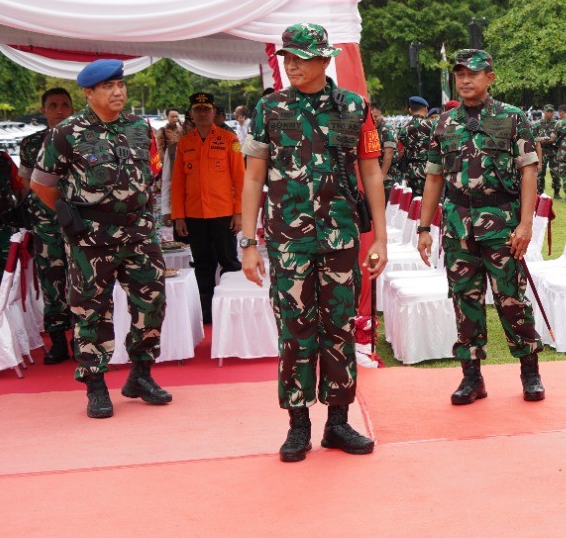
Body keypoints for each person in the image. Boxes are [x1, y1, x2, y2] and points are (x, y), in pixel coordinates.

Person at [241, 23, 387, 462]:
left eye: (301, 58)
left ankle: (338, 422)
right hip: (288, 239)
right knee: (295, 331)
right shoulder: (269, 109)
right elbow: (252, 177)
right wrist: (249, 242)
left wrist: (380, 237)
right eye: (288, 58)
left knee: (339, 326)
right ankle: (298, 424)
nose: (292, 66)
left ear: (325, 60)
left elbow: (372, 171)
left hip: (341, 236)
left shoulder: (353, 107)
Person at [30, 59, 172, 418]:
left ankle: (140, 374)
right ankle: (95, 384)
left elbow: (151, 173)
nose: (118, 92)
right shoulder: (67, 132)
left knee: (151, 304)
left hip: (139, 233)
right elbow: (41, 184)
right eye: (108, 86)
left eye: (120, 85)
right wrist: (69, 218)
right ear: (89, 93)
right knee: (91, 311)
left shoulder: (141, 128)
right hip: (91, 238)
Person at [418, 48, 545, 405]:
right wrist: (424, 227)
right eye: (460, 74)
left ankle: (530, 372)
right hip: (458, 227)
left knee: (512, 301)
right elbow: (433, 177)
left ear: (490, 77)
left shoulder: (512, 117)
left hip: (501, 224)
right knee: (465, 302)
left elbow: (528, 170)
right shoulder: (443, 123)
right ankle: (471, 377)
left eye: (473, 74)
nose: (465, 80)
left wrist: (525, 224)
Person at [169, 92, 245, 325]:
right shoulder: (184, 144)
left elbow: (240, 178)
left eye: (206, 109)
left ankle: (233, 310)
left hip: (223, 213)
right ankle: (207, 312)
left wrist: (239, 212)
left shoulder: (229, 140)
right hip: (194, 215)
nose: (202, 113)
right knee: (202, 264)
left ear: (213, 112)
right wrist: (178, 217)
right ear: (191, 114)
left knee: (229, 262)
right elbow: (178, 183)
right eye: (197, 109)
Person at [17, 87, 75, 362]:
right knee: (52, 285)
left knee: (81, 283)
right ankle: (58, 341)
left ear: (73, 108)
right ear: (43, 110)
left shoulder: (83, 141)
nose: (59, 110)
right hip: (46, 226)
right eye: (53, 105)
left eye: (65, 104)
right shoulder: (30, 144)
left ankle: (81, 339)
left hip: (78, 225)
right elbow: (26, 184)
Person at [0, 126, 25, 286]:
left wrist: (23, 218)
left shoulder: (2, 159)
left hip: (5, 229)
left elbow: (20, 189)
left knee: (9, 285)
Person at [398, 96, 431, 196]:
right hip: (429, 170)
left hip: (411, 172)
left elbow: (400, 152)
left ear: (410, 110)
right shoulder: (432, 126)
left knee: (414, 203)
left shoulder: (404, 129)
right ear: (425, 109)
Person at [532, 104, 560, 195]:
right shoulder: (537, 124)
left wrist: (542, 139)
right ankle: (540, 192)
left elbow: (555, 139)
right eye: (548, 111)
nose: (549, 113)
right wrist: (544, 139)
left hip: (553, 151)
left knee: (555, 173)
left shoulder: (556, 123)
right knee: (540, 173)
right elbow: (534, 139)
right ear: (543, 112)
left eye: (551, 111)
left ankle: (556, 192)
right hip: (541, 152)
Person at [371, 104, 398, 195]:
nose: (374, 119)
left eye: (376, 116)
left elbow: (389, 154)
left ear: (380, 114)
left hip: (387, 177)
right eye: (371, 117)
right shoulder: (372, 129)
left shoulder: (387, 129)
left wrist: (381, 177)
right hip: (375, 175)